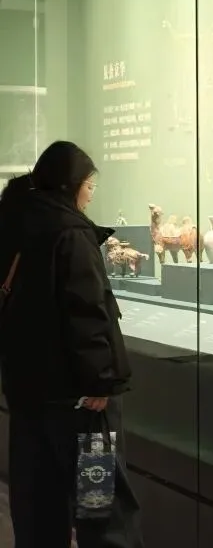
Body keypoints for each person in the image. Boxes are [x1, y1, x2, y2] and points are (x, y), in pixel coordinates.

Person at [0, 141, 142, 548]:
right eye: (88, 185)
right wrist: (100, 380)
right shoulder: (71, 232)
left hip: (28, 394)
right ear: (70, 184)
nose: (90, 195)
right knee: (100, 505)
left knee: (38, 504)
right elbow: (87, 310)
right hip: (82, 404)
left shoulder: (14, 223)